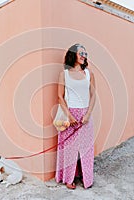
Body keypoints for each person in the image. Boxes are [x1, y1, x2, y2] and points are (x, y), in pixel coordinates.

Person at [55, 44, 96, 189]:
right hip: (70, 114)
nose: (84, 55)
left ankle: (86, 177)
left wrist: (88, 115)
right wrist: (69, 116)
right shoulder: (64, 74)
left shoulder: (89, 74)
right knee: (70, 149)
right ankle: (68, 178)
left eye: (85, 53)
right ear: (73, 55)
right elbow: (60, 97)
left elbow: (93, 96)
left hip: (85, 115)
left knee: (86, 148)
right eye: (81, 53)